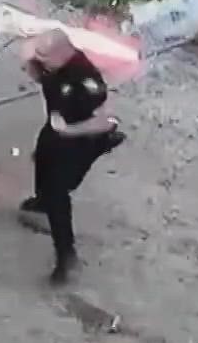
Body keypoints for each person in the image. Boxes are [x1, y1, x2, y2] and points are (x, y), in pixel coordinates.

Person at [19, 30, 126, 285]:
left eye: (44, 56)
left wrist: (69, 131)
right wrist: (30, 61)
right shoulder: (51, 66)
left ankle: (66, 255)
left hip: (81, 137)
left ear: (63, 53)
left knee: (59, 191)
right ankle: (42, 201)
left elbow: (106, 121)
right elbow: (38, 72)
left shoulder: (86, 79)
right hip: (57, 129)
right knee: (42, 158)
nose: (39, 60)